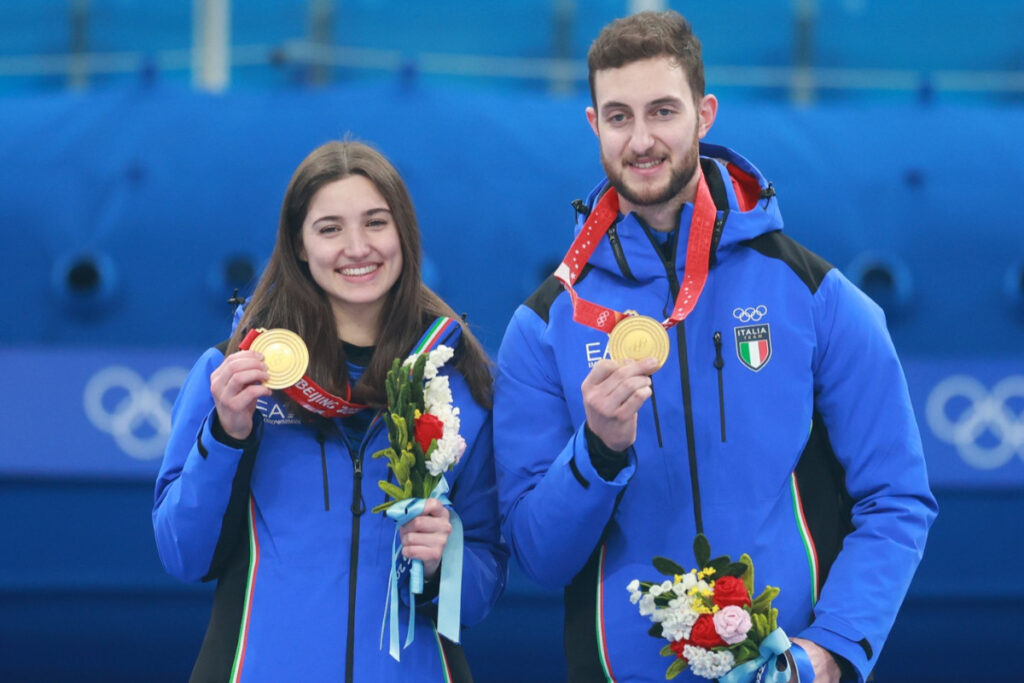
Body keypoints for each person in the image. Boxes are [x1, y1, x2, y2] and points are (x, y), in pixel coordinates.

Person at [494, 10, 936, 683]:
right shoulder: (546, 324)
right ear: (593, 125)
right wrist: (598, 450)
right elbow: (538, 555)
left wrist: (834, 649)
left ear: (705, 114)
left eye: (663, 111)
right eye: (619, 117)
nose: (641, 140)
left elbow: (897, 496)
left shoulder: (815, 294)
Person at [153, 140, 507, 682]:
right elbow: (183, 555)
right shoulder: (237, 376)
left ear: (404, 236)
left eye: (375, 223)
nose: (357, 247)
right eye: (330, 228)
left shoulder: (460, 382)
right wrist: (226, 434)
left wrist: (443, 565)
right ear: (299, 245)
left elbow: (480, 590)